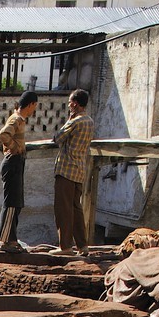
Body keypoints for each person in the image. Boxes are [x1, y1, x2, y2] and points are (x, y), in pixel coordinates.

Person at [0, 89, 39, 251]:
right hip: (13, 162)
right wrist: (12, 149)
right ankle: (4, 240)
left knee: (17, 203)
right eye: (35, 106)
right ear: (31, 104)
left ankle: (12, 240)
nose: (35, 110)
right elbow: (2, 136)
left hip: (16, 162)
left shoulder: (20, 119)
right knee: (11, 203)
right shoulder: (16, 119)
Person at [52, 89, 94, 255]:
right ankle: (82, 245)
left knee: (63, 209)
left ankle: (65, 247)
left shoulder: (75, 121)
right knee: (76, 209)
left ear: (75, 104)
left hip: (66, 169)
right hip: (80, 170)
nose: (69, 105)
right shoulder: (89, 121)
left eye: (70, 102)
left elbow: (57, 138)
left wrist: (68, 120)